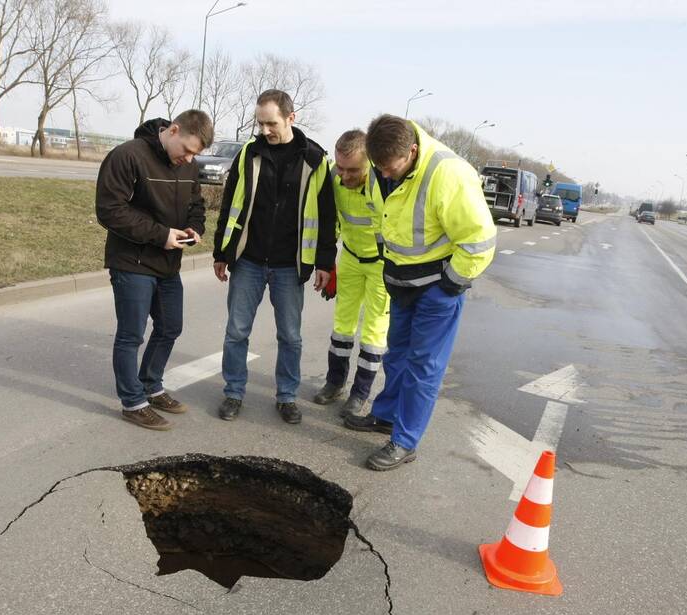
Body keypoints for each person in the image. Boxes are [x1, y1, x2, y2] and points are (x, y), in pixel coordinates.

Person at [344, 115, 495, 470]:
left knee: (423, 367)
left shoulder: (448, 174)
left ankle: (404, 441)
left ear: (411, 151)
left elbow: (479, 241)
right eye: (378, 167)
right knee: (396, 355)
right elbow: (385, 222)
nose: (383, 175)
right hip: (400, 283)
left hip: (436, 288)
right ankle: (385, 416)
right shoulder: (382, 169)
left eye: (389, 167)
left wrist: (449, 285)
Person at [212, 89, 336, 424]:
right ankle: (233, 392)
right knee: (237, 331)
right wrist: (222, 251)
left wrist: (324, 262)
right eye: (260, 123)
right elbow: (230, 204)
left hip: (288, 265)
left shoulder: (315, 160)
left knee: (290, 336)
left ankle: (286, 397)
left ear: (291, 118)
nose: (264, 130)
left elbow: (326, 217)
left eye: (271, 123)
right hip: (248, 260)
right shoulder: (248, 154)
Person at [95, 109, 213, 430]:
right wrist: (162, 235)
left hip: (167, 263)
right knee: (131, 335)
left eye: (196, 155)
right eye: (187, 150)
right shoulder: (127, 156)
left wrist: (193, 227)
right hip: (131, 261)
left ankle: (151, 384)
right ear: (173, 130)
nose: (189, 160)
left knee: (170, 326)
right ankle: (132, 402)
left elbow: (195, 205)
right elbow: (109, 210)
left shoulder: (187, 166)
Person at [313, 129, 389, 418]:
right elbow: (331, 220)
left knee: (373, 332)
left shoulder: (382, 184)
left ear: (369, 162)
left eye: (352, 170)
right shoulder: (334, 177)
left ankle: (360, 393)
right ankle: (335, 383)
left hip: (382, 264)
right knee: (342, 325)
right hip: (351, 260)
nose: (344, 176)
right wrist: (328, 262)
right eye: (340, 168)